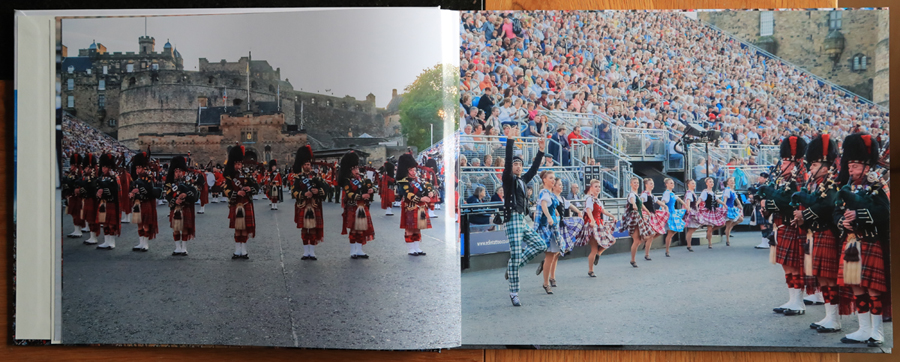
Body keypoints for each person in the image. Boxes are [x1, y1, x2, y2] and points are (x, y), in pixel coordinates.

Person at [835, 133, 889, 347]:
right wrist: (843, 222)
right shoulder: (847, 186)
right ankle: (864, 329)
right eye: (849, 166)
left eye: (855, 166)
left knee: (873, 288)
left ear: (867, 167)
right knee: (856, 285)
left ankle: (877, 331)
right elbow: (837, 211)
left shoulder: (877, 184)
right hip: (851, 241)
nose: (851, 169)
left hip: (870, 240)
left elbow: (885, 212)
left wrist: (859, 216)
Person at [792, 134, 842, 333]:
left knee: (829, 278)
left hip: (827, 232)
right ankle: (829, 316)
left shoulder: (830, 183)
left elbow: (827, 205)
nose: (810, 169)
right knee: (822, 278)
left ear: (825, 166)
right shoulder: (817, 183)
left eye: (813, 165)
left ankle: (835, 319)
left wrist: (804, 214)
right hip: (817, 232)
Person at [764, 135, 810, 316]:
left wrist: (770, 203)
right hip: (780, 226)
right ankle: (792, 299)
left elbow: (792, 202)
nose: (781, 166)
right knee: (786, 265)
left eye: (785, 163)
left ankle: (798, 301)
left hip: (792, 226)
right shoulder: (784, 180)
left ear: (794, 164)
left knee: (794, 265)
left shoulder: (800, 180)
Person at [501, 134, 546, 306]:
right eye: (515, 164)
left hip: (522, 219)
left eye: (520, 164)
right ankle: (514, 292)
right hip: (512, 218)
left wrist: (541, 151)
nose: (518, 166)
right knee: (516, 254)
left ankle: (513, 267)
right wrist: (510, 141)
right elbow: (507, 163)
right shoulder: (508, 179)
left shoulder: (522, 180)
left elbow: (533, 170)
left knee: (540, 245)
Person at [225, 145, 259, 260]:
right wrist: (236, 193)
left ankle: (244, 250)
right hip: (235, 203)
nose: (238, 166)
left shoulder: (247, 175)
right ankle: (237, 250)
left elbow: (256, 187)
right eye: (236, 164)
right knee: (237, 229)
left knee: (244, 228)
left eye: (239, 164)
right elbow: (226, 189)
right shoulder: (229, 177)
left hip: (245, 203)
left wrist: (249, 189)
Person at [292, 145, 325, 260]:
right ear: (302, 165)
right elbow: (294, 192)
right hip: (304, 205)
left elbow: (325, 190)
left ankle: (312, 252)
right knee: (305, 230)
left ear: (311, 165)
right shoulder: (298, 178)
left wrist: (317, 191)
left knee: (313, 229)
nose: (307, 166)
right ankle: (306, 252)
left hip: (314, 205)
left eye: (308, 164)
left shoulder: (317, 177)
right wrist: (303, 194)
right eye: (305, 164)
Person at [340, 151, 375, 259]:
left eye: (357, 168)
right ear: (349, 170)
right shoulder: (347, 181)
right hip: (353, 206)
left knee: (361, 229)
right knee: (354, 230)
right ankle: (352, 250)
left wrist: (371, 190)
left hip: (362, 207)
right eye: (354, 169)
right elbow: (349, 194)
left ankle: (359, 250)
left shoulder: (362, 179)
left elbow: (371, 188)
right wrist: (361, 196)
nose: (356, 171)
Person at [579, 179, 617, 276]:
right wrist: (592, 220)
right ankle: (591, 270)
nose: (598, 188)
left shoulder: (597, 200)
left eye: (599, 187)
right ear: (591, 188)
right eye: (596, 186)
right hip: (593, 225)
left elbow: (603, 211)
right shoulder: (590, 199)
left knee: (611, 240)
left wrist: (612, 216)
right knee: (594, 248)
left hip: (599, 224)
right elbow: (588, 210)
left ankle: (598, 254)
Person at [397, 154, 433, 256]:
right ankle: (411, 249)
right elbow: (408, 194)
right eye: (411, 170)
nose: (414, 172)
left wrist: (430, 192)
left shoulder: (417, 180)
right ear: (406, 170)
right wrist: (421, 199)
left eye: (414, 170)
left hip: (420, 207)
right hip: (410, 207)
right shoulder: (403, 182)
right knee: (409, 228)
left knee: (417, 228)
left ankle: (417, 247)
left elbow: (426, 187)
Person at [533, 171, 561, 294]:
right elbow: (544, 205)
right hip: (547, 227)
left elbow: (550, 205)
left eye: (554, 178)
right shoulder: (544, 192)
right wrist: (549, 217)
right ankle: (546, 283)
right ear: (544, 180)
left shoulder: (549, 193)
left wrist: (554, 212)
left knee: (554, 254)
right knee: (550, 255)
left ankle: (547, 276)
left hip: (552, 226)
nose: (553, 180)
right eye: (551, 178)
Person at [164, 156, 197, 256]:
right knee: (176, 229)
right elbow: (167, 196)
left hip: (185, 207)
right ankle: (177, 247)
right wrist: (175, 201)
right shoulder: (169, 183)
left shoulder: (188, 182)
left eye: (180, 171)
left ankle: (184, 248)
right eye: (176, 171)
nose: (178, 173)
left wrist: (186, 195)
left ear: (183, 172)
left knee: (185, 228)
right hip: (175, 208)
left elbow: (195, 193)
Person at [129, 151, 159, 252]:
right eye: (136, 168)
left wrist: (139, 190)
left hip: (146, 202)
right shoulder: (136, 179)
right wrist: (131, 193)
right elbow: (131, 189)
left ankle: (145, 244)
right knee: (139, 224)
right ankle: (141, 243)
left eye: (139, 168)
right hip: (138, 203)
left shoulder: (148, 178)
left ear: (144, 168)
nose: (137, 170)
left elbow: (149, 191)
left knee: (146, 224)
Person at [621, 177, 652, 268]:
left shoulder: (636, 194)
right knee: (636, 240)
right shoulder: (632, 194)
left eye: (637, 183)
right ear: (631, 184)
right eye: (634, 183)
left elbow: (640, 204)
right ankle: (633, 259)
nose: (636, 184)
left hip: (639, 217)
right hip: (634, 219)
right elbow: (632, 200)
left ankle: (634, 257)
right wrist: (634, 204)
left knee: (647, 236)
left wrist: (647, 211)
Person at [94, 153, 121, 250]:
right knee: (104, 223)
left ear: (109, 167)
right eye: (102, 166)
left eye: (105, 167)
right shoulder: (101, 177)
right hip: (103, 202)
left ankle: (111, 242)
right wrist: (98, 192)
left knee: (111, 223)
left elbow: (117, 189)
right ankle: (106, 241)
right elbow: (97, 187)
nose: (103, 169)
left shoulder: (114, 176)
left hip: (111, 202)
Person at [640, 178, 669, 260]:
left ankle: (646, 242)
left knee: (658, 232)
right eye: (650, 183)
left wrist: (665, 206)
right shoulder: (644, 194)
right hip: (647, 216)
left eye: (652, 183)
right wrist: (645, 211)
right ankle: (647, 254)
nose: (652, 185)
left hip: (652, 215)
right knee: (652, 234)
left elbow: (658, 202)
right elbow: (641, 203)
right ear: (646, 185)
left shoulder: (652, 195)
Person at [697, 177, 726, 248]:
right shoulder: (705, 192)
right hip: (708, 210)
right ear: (706, 183)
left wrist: (724, 204)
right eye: (710, 182)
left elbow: (717, 200)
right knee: (709, 228)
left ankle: (709, 232)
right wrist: (696, 204)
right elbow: (700, 199)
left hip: (713, 210)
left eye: (712, 182)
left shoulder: (712, 192)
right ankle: (710, 243)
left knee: (722, 224)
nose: (711, 183)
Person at [661, 178, 686, 257]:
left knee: (673, 231)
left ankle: (667, 250)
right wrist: (663, 210)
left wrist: (685, 205)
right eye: (671, 183)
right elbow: (663, 202)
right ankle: (667, 250)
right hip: (669, 213)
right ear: (666, 184)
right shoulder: (666, 193)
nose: (673, 184)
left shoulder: (671, 193)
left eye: (673, 183)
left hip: (673, 213)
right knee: (670, 231)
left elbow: (678, 198)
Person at [64, 153, 86, 238]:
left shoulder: (79, 172)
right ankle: (76, 229)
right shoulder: (72, 172)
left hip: (77, 195)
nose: (71, 166)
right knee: (73, 212)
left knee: (77, 212)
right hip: (71, 194)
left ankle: (78, 230)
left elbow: (81, 182)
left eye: (73, 165)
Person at [751, 172, 774, 249]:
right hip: (758, 205)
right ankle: (766, 241)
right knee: (763, 224)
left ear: (765, 179)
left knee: (765, 224)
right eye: (760, 177)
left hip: (765, 206)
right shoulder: (757, 186)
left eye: (762, 177)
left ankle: (766, 242)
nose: (759, 178)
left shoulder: (768, 186)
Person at [720, 177, 744, 246]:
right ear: (727, 182)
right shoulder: (727, 190)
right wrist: (724, 206)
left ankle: (728, 230)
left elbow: (736, 199)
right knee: (729, 224)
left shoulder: (732, 190)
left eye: (733, 181)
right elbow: (725, 198)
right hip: (728, 209)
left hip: (732, 208)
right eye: (730, 181)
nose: (732, 182)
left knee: (740, 219)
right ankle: (727, 240)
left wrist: (740, 205)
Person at [682, 179, 701, 252]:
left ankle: (689, 245)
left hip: (693, 210)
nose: (694, 185)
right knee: (691, 229)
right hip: (691, 211)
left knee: (693, 228)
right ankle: (689, 245)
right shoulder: (689, 193)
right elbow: (688, 201)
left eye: (694, 183)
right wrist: (689, 209)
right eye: (692, 183)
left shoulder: (692, 192)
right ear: (688, 185)